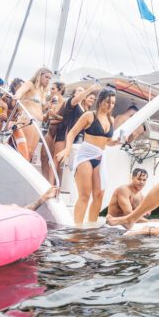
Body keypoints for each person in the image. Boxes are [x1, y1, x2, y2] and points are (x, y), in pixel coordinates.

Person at [56, 87, 117, 226]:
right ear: (100, 101)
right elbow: (72, 133)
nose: (110, 105)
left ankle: (91, 226)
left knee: (99, 195)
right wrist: (67, 149)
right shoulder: (89, 115)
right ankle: (77, 228)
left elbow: (107, 141)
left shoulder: (111, 119)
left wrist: (117, 141)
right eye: (107, 102)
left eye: (113, 103)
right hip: (85, 156)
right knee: (85, 195)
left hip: (100, 157)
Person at [49, 85, 98, 184]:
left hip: (76, 138)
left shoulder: (84, 109)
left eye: (83, 91)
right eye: (79, 90)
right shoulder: (72, 102)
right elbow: (75, 101)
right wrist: (91, 88)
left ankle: (57, 185)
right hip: (64, 134)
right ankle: (49, 185)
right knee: (57, 159)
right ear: (74, 94)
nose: (82, 92)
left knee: (65, 164)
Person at [13, 67, 53, 161]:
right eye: (46, 77)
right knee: (24, 150)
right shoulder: (30, 84)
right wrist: (17, 95)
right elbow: (21, 91)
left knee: (30, 152)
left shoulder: (42, 91)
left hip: (38, 122)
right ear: (39, 75)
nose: (48, 80)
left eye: (50, 78)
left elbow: (39, 107)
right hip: (28, 119)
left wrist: (48, 108)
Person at [41, 81, 66, 183]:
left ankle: (56, 185)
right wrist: (48, 111)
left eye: (53, 89)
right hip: (50, 130)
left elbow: (65, 119)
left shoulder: (64, 103)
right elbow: (45, 119)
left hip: (59, 132)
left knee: (55, 162)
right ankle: (45, 182)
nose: (51, 91)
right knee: (43, 157)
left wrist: (54, 115)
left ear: (60, 90)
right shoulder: (51, 101)